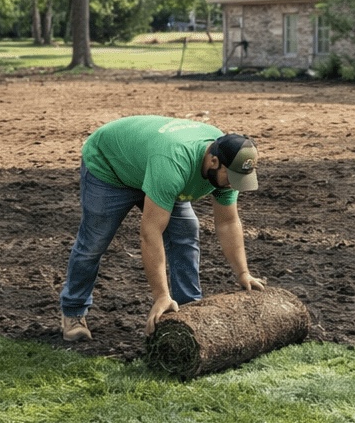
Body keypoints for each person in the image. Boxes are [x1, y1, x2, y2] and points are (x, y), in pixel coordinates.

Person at [59, 115, 265, 342]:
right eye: (231, 177)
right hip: (111, 166)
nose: (233, 184)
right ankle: (74, 311)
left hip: (155, 166)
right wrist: (161, 295)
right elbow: (150, 233)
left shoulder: (229, 163)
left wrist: (243, 273)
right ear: (213, 161)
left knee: (185, 235)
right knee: (94, 242)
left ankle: (189, 311)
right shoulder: (175, 162)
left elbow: (227, 222)